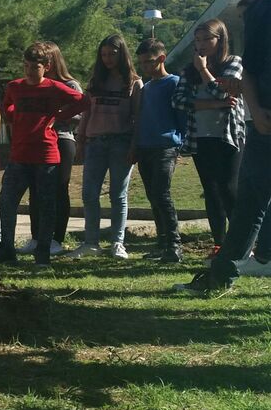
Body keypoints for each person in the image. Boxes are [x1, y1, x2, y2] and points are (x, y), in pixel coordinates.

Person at [175, 0, 271, 294]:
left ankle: (260, 258)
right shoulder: (261, 12)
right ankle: (223, 274)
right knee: (250, 196)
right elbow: (251, 70)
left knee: (250, 195)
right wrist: (257, 110)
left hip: (236, 131)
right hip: (264, 121)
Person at [0, 42, 89, 266]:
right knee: (6, 201)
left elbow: (83, 101)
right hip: (19, 156)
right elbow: (7, 106)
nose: (29, 71)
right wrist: (14, 115)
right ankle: (6, 247)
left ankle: (43, 251)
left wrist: (59, 115)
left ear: (47, 66)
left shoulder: (54, 87)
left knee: (46, 205)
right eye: (26, 66)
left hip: (46, 156)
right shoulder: (15, 86)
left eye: (35, 67)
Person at [171, 18, 245, 260]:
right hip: (200, 137)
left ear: (220, 39)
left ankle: (241, 246)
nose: (201, 45)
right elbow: (178, 101)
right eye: (198, 40)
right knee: (211, 190)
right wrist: (216, 104)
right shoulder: (188, 70)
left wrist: (205, 71)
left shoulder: (233, 63)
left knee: (228, 189)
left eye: (207, 39)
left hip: (228, 137)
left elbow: (225, 91)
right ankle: (219, 245)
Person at [68, 34, 143, 260]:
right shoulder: (95, 82)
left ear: (122, 55)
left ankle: (117, 243)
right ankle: (91, 242)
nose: (108, 58)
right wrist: (80, 141)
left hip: (121, 143)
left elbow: (138, 117)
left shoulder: (134, 82)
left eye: (112, 54)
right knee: (89, 193)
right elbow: (86, 114)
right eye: (103, 55)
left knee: (118, 195)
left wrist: (134, 146)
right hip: (95, 143)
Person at [20, 42, 82, 255]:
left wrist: (57, 115)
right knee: (36, 191)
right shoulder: (34, 84)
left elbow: (81, 112)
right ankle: (37, 237)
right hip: (37, 143)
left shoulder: (70, 84)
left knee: (58, 189)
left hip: (62, 140)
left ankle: (56, 239)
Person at [134, 38, 185, 262]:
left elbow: (182, 116)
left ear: (161, 59)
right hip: (145, 147)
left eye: (149, 62)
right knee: (152, 196)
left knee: (162, 194)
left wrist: (179, 144)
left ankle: (174, 245)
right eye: (142, 63)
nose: (145, 67)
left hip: (166, 146)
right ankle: (161, 243)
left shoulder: (174, 83)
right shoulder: (146, 88)